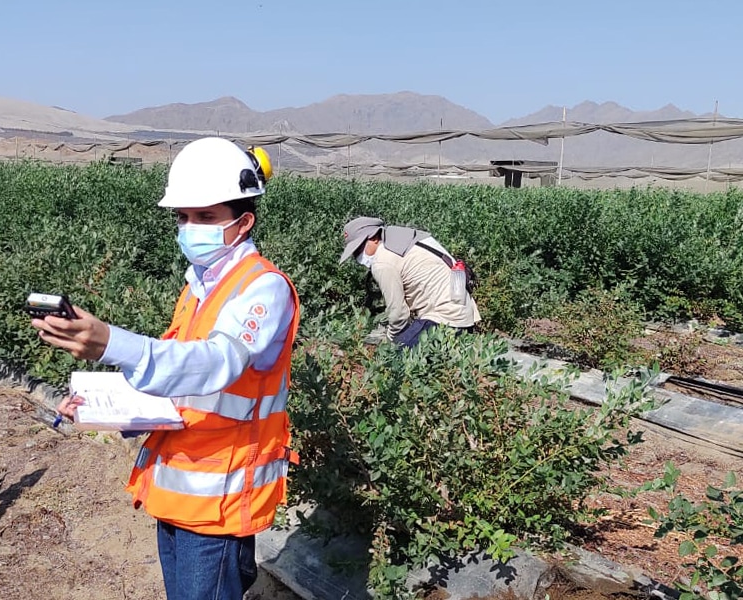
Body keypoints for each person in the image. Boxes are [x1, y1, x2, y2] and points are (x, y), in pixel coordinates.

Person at [31, 137, 300, 600]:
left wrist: (112, 342)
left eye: (206, 217)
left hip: (219, 500)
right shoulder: (198, 287)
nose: (190, 227)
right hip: (178, 487)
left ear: (243, 223)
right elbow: (178, 378)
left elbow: (216, 363)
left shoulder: (262, 289)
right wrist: (98, 403)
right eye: (183, 217)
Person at [339, 216, 480, 348]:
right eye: (355, 252)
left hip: (444, 320)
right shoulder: (407, 237)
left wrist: (391, 341)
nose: (358, 256)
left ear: (374, 238)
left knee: (392, 362)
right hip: (464, 316)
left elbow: (399, 314)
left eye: (359, 248)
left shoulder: (382, 261)